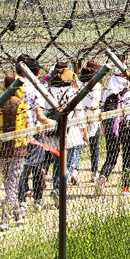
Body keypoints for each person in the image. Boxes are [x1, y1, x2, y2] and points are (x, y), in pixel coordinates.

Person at [0, 74, 28, 230]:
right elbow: (29, 126)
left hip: (2, 149)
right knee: (12, 184)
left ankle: (17, 215)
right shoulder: (22, 105)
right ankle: (5, 218)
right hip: (18, 149)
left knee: (8, 184)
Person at [45, 63, 88, 208]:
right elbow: (79, 113)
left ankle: (57, 187)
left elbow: (44, 111)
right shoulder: (72, 93)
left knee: (57, 162)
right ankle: (59, 188)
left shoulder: (47, 91)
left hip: (53, 130)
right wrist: (85, 132)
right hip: (70, 131)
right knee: (69, 162)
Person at [97, 71, 130, 196]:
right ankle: (126, 186)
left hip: (111, 128)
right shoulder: (128, 94)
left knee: (111, 156)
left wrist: (105, 127)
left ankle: (103, 175)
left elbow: (103, 111)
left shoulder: (107, 93)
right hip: (126, 127)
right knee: (128, 157)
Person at [16, 55, 50, 211]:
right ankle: (38, 198)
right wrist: (55, 123)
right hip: (35, 131)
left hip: (18, 132)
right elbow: (40, 115)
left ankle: (21, 199)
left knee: (20, 166)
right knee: (36, 166)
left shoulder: (15, 87)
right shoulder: (36, 88)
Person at [79, 60, 103, 182]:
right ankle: (94, 172)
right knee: (95, 147)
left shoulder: (78, 83)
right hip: (92, 116)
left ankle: (74, 171)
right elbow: (95, 103)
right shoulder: (96, 85)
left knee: (77, 146)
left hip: (79, 115)